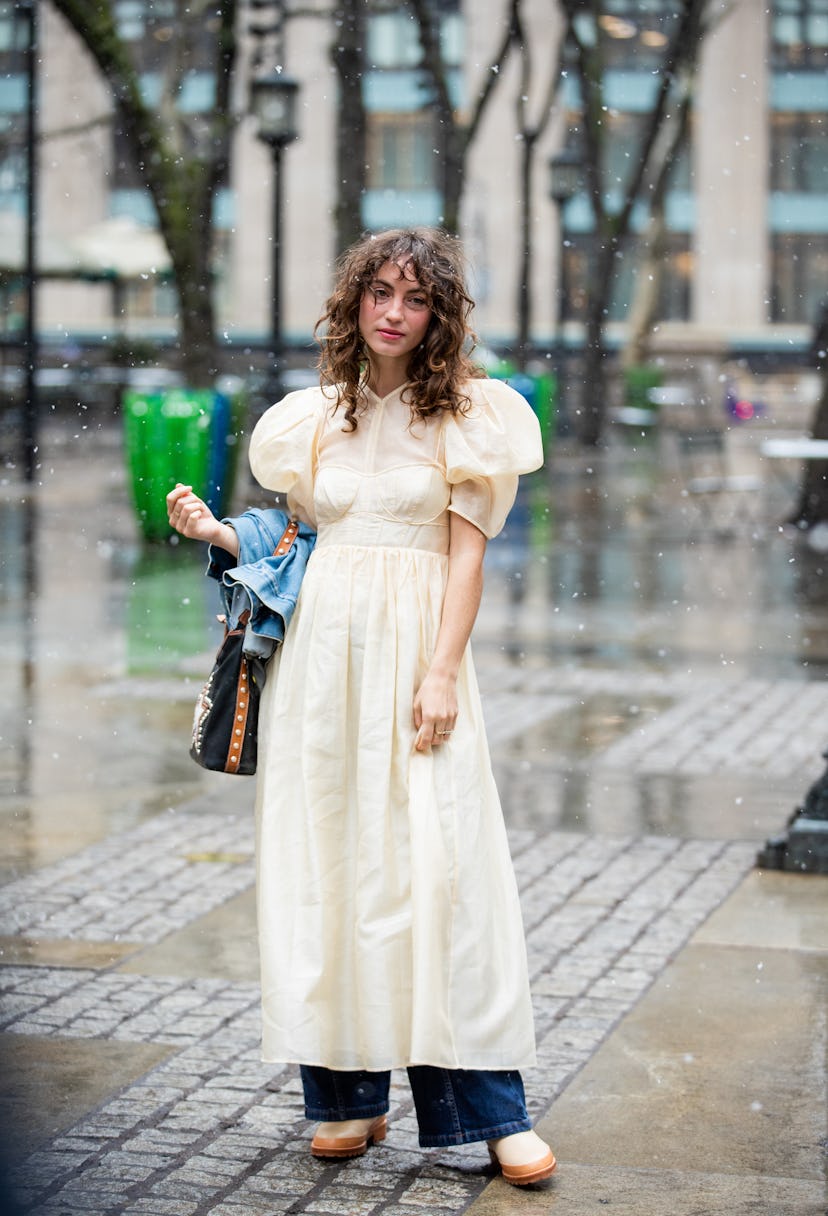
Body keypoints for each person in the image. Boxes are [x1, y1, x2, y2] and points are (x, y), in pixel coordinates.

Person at [166, 227, 555, 1186]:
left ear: (441, 316)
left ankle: (489, 1112)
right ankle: (344, 1097)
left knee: (440, 868)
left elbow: (465, 556)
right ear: (354, 302)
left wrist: (439, 670)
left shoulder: (472, 415)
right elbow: (296, 540)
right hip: (319, 665)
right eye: (379, 292)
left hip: (418, 653)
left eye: (415, 298)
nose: (393, 311)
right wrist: (220, 533)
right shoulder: (311, 417)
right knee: (330, 860)